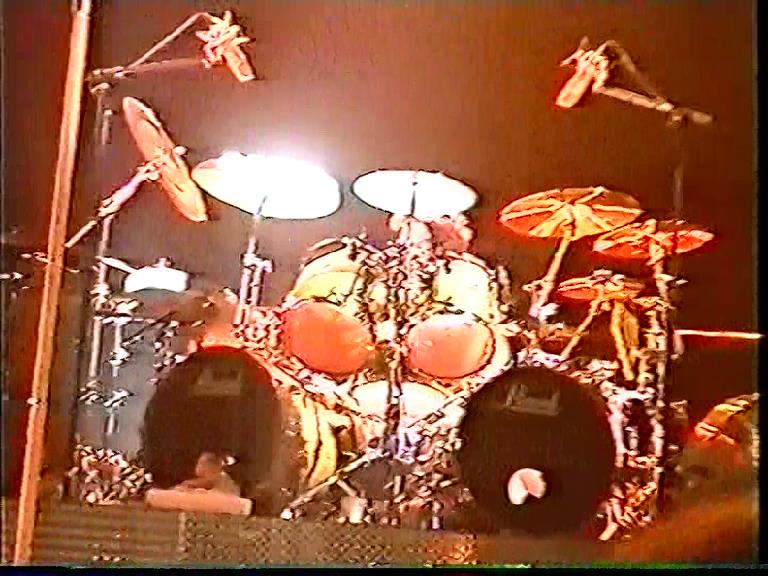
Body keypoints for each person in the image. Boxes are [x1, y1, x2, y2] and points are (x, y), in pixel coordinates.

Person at [174, 452, 241, 497]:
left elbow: (206, 483)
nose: (198, 466)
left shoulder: (218, 476)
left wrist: (187, 485)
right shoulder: (218, 476)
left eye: (200, 463)